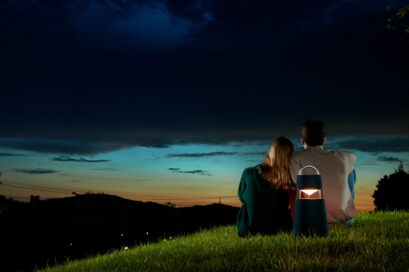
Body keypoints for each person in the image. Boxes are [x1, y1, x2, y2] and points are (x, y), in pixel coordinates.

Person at [290, 120, 356, 225]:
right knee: (351, 172)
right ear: (324, 140)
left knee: (299, 182)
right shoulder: (345, 157)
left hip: (311, 218)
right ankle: (343, 210)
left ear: (302, 140)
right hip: (344, 221)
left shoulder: (296, 158)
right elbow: (353, 157)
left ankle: (313, 213)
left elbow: (295, 182)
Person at [237, 137, 296, 237]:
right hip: (279, 228)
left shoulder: (249, 173)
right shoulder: (290, 179)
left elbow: (241, 197)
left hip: (249, 230)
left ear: (270, 152)